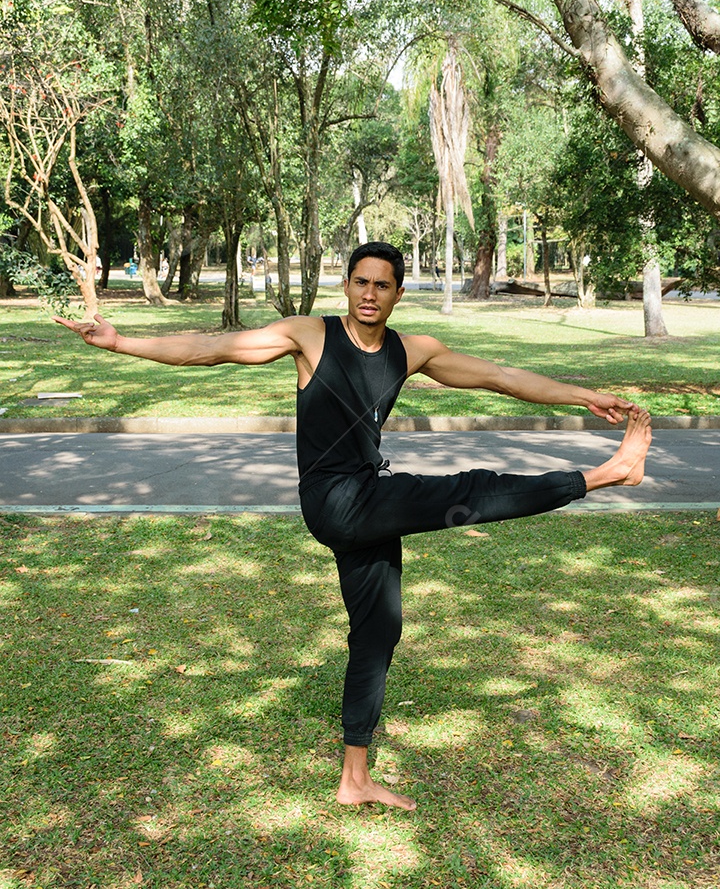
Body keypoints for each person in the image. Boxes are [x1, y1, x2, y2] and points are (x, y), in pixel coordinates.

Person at [54, 241, 652, 812]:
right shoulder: (309, 335)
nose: (369, 293)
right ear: (346, 286)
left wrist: (583, 396)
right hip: (336, 499)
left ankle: (355, 778)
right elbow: (212, 349)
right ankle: (607, 474)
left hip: (366, 506)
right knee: (470, 489)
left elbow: (501, 378)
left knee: (378, 632)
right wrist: (118, 343)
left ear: (396, 295)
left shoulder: (412, 350)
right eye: (360, 282)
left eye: (382, 286)